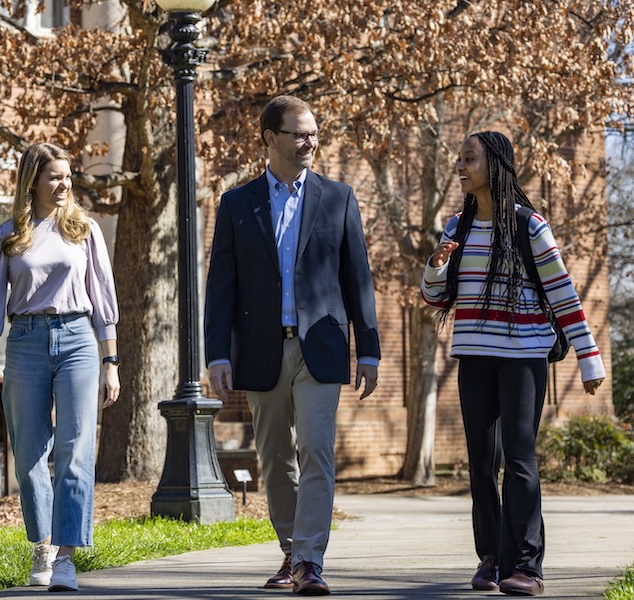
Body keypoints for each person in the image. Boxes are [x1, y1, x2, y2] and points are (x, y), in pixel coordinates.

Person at [204, 95, 381, 596]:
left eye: (314, 133)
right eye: (299, 133)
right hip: (260, 350)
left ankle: (309, 558)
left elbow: (357, 279)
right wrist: (217, 354)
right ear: (269, 138)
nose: (310, 142)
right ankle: (290, 551)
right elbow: (221, 285)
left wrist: (367, 348)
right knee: (275, 457)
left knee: (317, 450)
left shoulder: (338, 197)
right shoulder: (237, 203)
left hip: (320, 348)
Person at [421, 131, 605, 596]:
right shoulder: (456, 227)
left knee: (520, 459)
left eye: (469, 159)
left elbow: (563, 295)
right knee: (481, 465)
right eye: (458, 159)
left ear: (496, 164)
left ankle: (527, 565)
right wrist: (437, 266)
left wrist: (589, 358)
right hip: (474, 356)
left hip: (524, 357)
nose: (460, 167)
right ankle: (490, 558)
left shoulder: (529, 226)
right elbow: (435, 298)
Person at [0, 142, 121, 593]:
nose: (64, 184)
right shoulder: (5, 235)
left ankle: (66, 557)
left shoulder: (84, 230)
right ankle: (42, 544)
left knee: (77, 450)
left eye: (67, 176)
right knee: (30, 452)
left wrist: (110, 361)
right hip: (24, 343)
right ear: (32, 181)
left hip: (78, 339)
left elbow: (103, 300)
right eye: (54, 176)